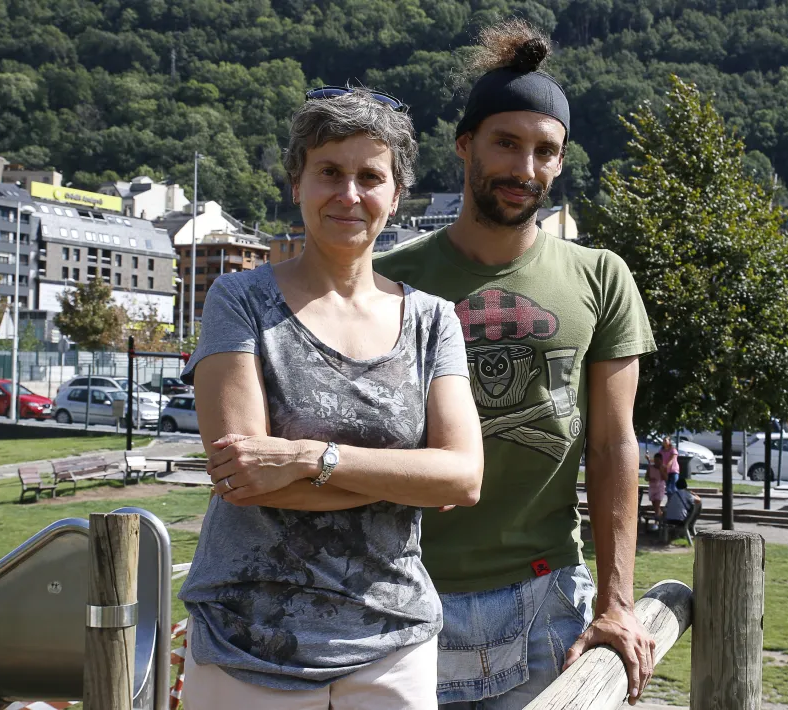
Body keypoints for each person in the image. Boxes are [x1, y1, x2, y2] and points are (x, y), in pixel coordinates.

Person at [375, 19, 656, 708]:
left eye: (545, 151)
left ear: (561, 161)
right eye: (506, 143)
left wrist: (617, 603)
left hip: (546, 597)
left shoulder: (602, 277)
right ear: (465, 143)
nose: (524, 169)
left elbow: (614, 443)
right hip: (408, 591)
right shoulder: (387, 281)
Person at [176, 87, 484, 710]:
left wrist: (313, 459)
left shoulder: (430, 322)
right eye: (329, 173)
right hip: (247, 648)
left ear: (396, 196)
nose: (349, 194)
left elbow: (464, 477)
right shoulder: (240, 303)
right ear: (298, 184)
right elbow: (245, 478)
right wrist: (410, 477)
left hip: (393, 646)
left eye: (370, 176)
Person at [645, 452, 666, 524]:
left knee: (657, 506)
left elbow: (665, 478)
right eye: (655, 460)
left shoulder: (664, 467)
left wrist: (661, 470)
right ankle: (661, 518)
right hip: (652, 488)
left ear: (661, 460)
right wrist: (650, 478)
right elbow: (646, 478)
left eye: (658, 461)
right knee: (655, 507)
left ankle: (656, 523)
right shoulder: (650, 467)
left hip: (660, 489)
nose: (656, 462)